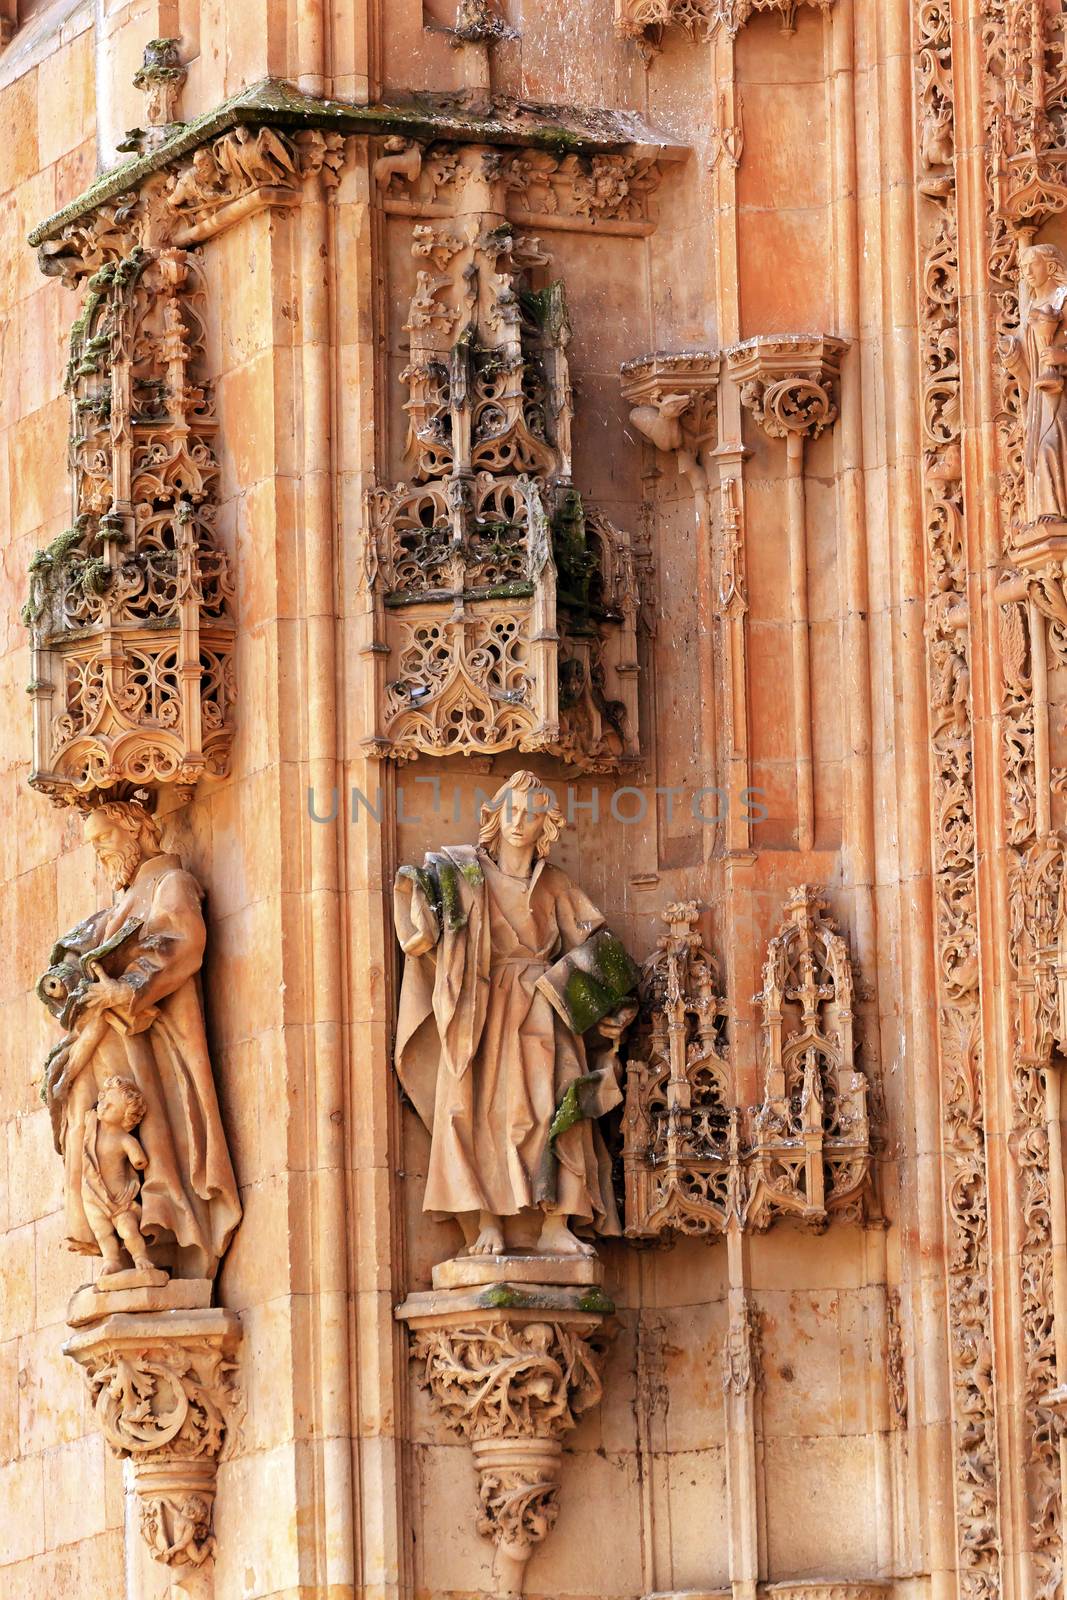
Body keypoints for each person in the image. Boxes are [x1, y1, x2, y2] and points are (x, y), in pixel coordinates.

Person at [394, 770, 634, 1258]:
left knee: (557, 1106)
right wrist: (420, 898)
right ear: (496, 816)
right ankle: (488, 1222)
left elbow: (597, 951)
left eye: (532, 813)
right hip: (481, 1009)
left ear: (547, 823)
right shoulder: (464, 873)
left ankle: (556, 1224)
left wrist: (618, 1006)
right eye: (513, 811)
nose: (520, 822)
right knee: (479, 1108)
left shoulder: (557, 885)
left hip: (546, 1009)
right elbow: (421, 922)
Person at [38, 799, 241, 1280]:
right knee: (90, 1134)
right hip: (105, 1040)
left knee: (147, 1139)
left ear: (135, 828)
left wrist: (123, 988)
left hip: (141, 1038)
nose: (100, 852)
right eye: (92, 844)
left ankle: (160, 1234)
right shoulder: (123, 900)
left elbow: (179, 941)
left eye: (104, 838)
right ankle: (111, 1243)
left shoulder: (171, 883)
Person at [80, 1076, 155, 1276]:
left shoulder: (124, 1140)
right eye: (104, 1100)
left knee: (129, 1230)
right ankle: (111, 1260)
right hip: (92, 1195)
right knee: (102, 1232)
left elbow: (140, 1160)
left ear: (126, 1117)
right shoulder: (91, 1125)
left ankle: (140, 1256)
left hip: (120, 1199)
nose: (103, 1107)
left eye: (112, 1107)